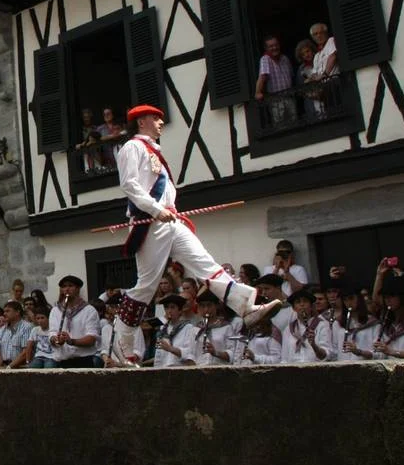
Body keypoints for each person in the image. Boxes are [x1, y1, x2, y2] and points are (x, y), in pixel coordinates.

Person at [111, 105, 281, 364]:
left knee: (205, 264)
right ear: (142, 121)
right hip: (152, 223)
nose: (160, 123)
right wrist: (156, 209)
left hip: (170, 220)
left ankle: (246, 307)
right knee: (146, 285)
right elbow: (129, 184)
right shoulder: (132, 147)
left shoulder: (152, 150)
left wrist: (165, 210)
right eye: (156, 118)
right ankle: (122, 341)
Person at [48, 275, 100, 368]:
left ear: (78, 289)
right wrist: (56, 340)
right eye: (64, 286)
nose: (67, 289)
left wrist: (71, 341)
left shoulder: (89, 310)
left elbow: (92, 338)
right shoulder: (55, 310)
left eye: (70, 286)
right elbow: (52, 333)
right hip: (62, 361)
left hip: (84, 360)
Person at [373, 275, 404, 359]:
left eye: (392, 295)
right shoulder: (386, 325)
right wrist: (359, 351)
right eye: (385, 297)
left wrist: (392, 352)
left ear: (403, 297)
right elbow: (377, 354)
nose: (388, 300)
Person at [281, 289, 332, 363]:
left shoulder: (322, 325)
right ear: (294, 308)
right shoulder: (288, 329)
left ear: (311, 306)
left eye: (305, 301)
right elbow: (284, 358)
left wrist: (314, 345)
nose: (302, 304)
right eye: (298, 302)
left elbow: (326, 356)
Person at [151, 294, 195, 367]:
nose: (169, 311)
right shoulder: (163, 329)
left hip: (180, 368)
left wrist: (170, 349)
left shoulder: (188, 328)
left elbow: (190, 354)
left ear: (180, 311)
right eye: (167, 308)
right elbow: (159, 354)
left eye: (172, 307)